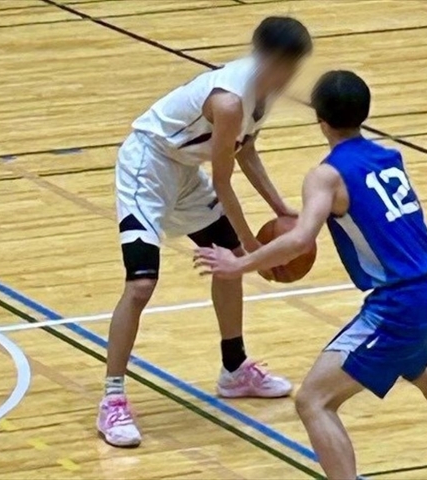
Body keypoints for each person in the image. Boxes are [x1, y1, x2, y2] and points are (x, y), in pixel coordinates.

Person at [194, 70, 427, 480]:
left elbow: (300, 240)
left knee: (313, 401)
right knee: (414, 362)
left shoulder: (327, 175)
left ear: (319, 119)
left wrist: (239, 263)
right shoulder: (387, 156)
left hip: (399, 303)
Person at [97, 17, 312, 448]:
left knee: (228, 264)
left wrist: (280, 208)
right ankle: (112, 399)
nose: (293, 74)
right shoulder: (229, 101)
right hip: (148, 166)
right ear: (268, 59)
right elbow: (224, 180)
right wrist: (253, 247)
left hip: (183, 171)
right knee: (141, 285)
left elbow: (245, 152)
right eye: (288, 65)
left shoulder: (264, 93)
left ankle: (234, 370)